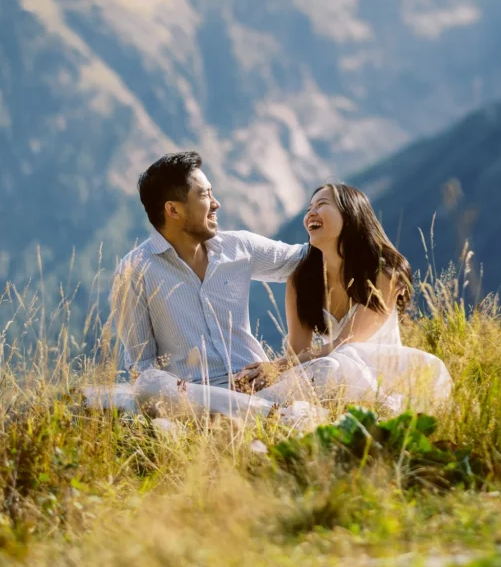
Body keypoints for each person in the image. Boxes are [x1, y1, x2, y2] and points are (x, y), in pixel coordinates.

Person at [106, 182, 451, 426]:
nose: (311, 213)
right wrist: (279, 370)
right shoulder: (302, 278)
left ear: (352, 214)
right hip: (330, 375)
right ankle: (259, 414)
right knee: (152, 386)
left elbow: (347, 344)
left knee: (337, 362)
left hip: (381, 373)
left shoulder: (383, 272)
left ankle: (200, 408)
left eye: (322, 205)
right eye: (309, 208)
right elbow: (298, 353)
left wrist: (278, 367)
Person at [84, 151, 307, 410]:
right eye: (204, 195)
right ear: (173, 210)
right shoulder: (134, 271)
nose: (216, 203)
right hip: (197, 400)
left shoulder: (240, 247)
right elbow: (141, 367)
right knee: (148, 385)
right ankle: (267, 413)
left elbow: (310, 261)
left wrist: (283, 363)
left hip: (261, 384)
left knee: (332, 365)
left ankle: (262, 409)